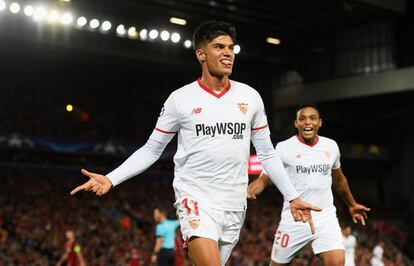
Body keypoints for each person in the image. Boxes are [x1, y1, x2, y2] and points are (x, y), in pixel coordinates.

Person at [70, 20, 320, 266]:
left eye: (231, 48)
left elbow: (267, 153)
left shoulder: (250, 97)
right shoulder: (180, 99)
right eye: (219, 47)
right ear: (201, 53)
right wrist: (111, 178)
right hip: (196, 198)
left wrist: (292, 196)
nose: (227, 53)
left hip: (234, 203)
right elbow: (152, 149)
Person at [247, 104, 371, 265]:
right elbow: (265, 177)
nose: (307, 122)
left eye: (312, 118)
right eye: (302, 118)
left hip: (325, 217)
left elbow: (339, 180)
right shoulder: (284, 148)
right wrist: (250, 189)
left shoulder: (331, 146)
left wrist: (352, 204)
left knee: (338, 262)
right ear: (295, 123)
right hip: (295, 218)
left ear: (320, 123)